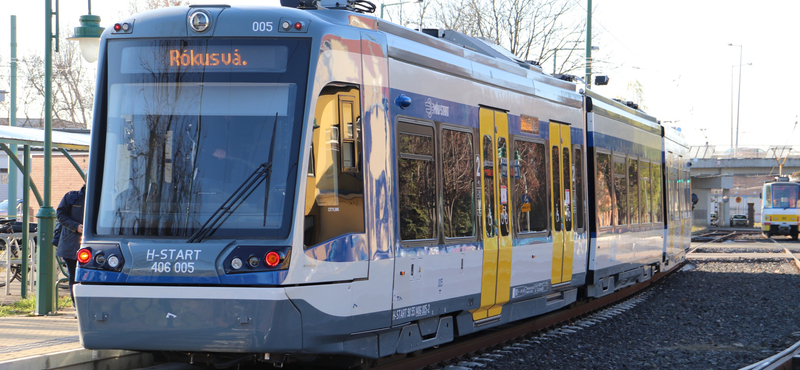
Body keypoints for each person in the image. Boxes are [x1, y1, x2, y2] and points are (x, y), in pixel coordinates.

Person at [56, 184, 85, 307]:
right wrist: (76, 227)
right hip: (71, 244)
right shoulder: (71, 197)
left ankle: (81, 305)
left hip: (83, 244)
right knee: (74, 276)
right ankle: (76, 306)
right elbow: (60, 214)